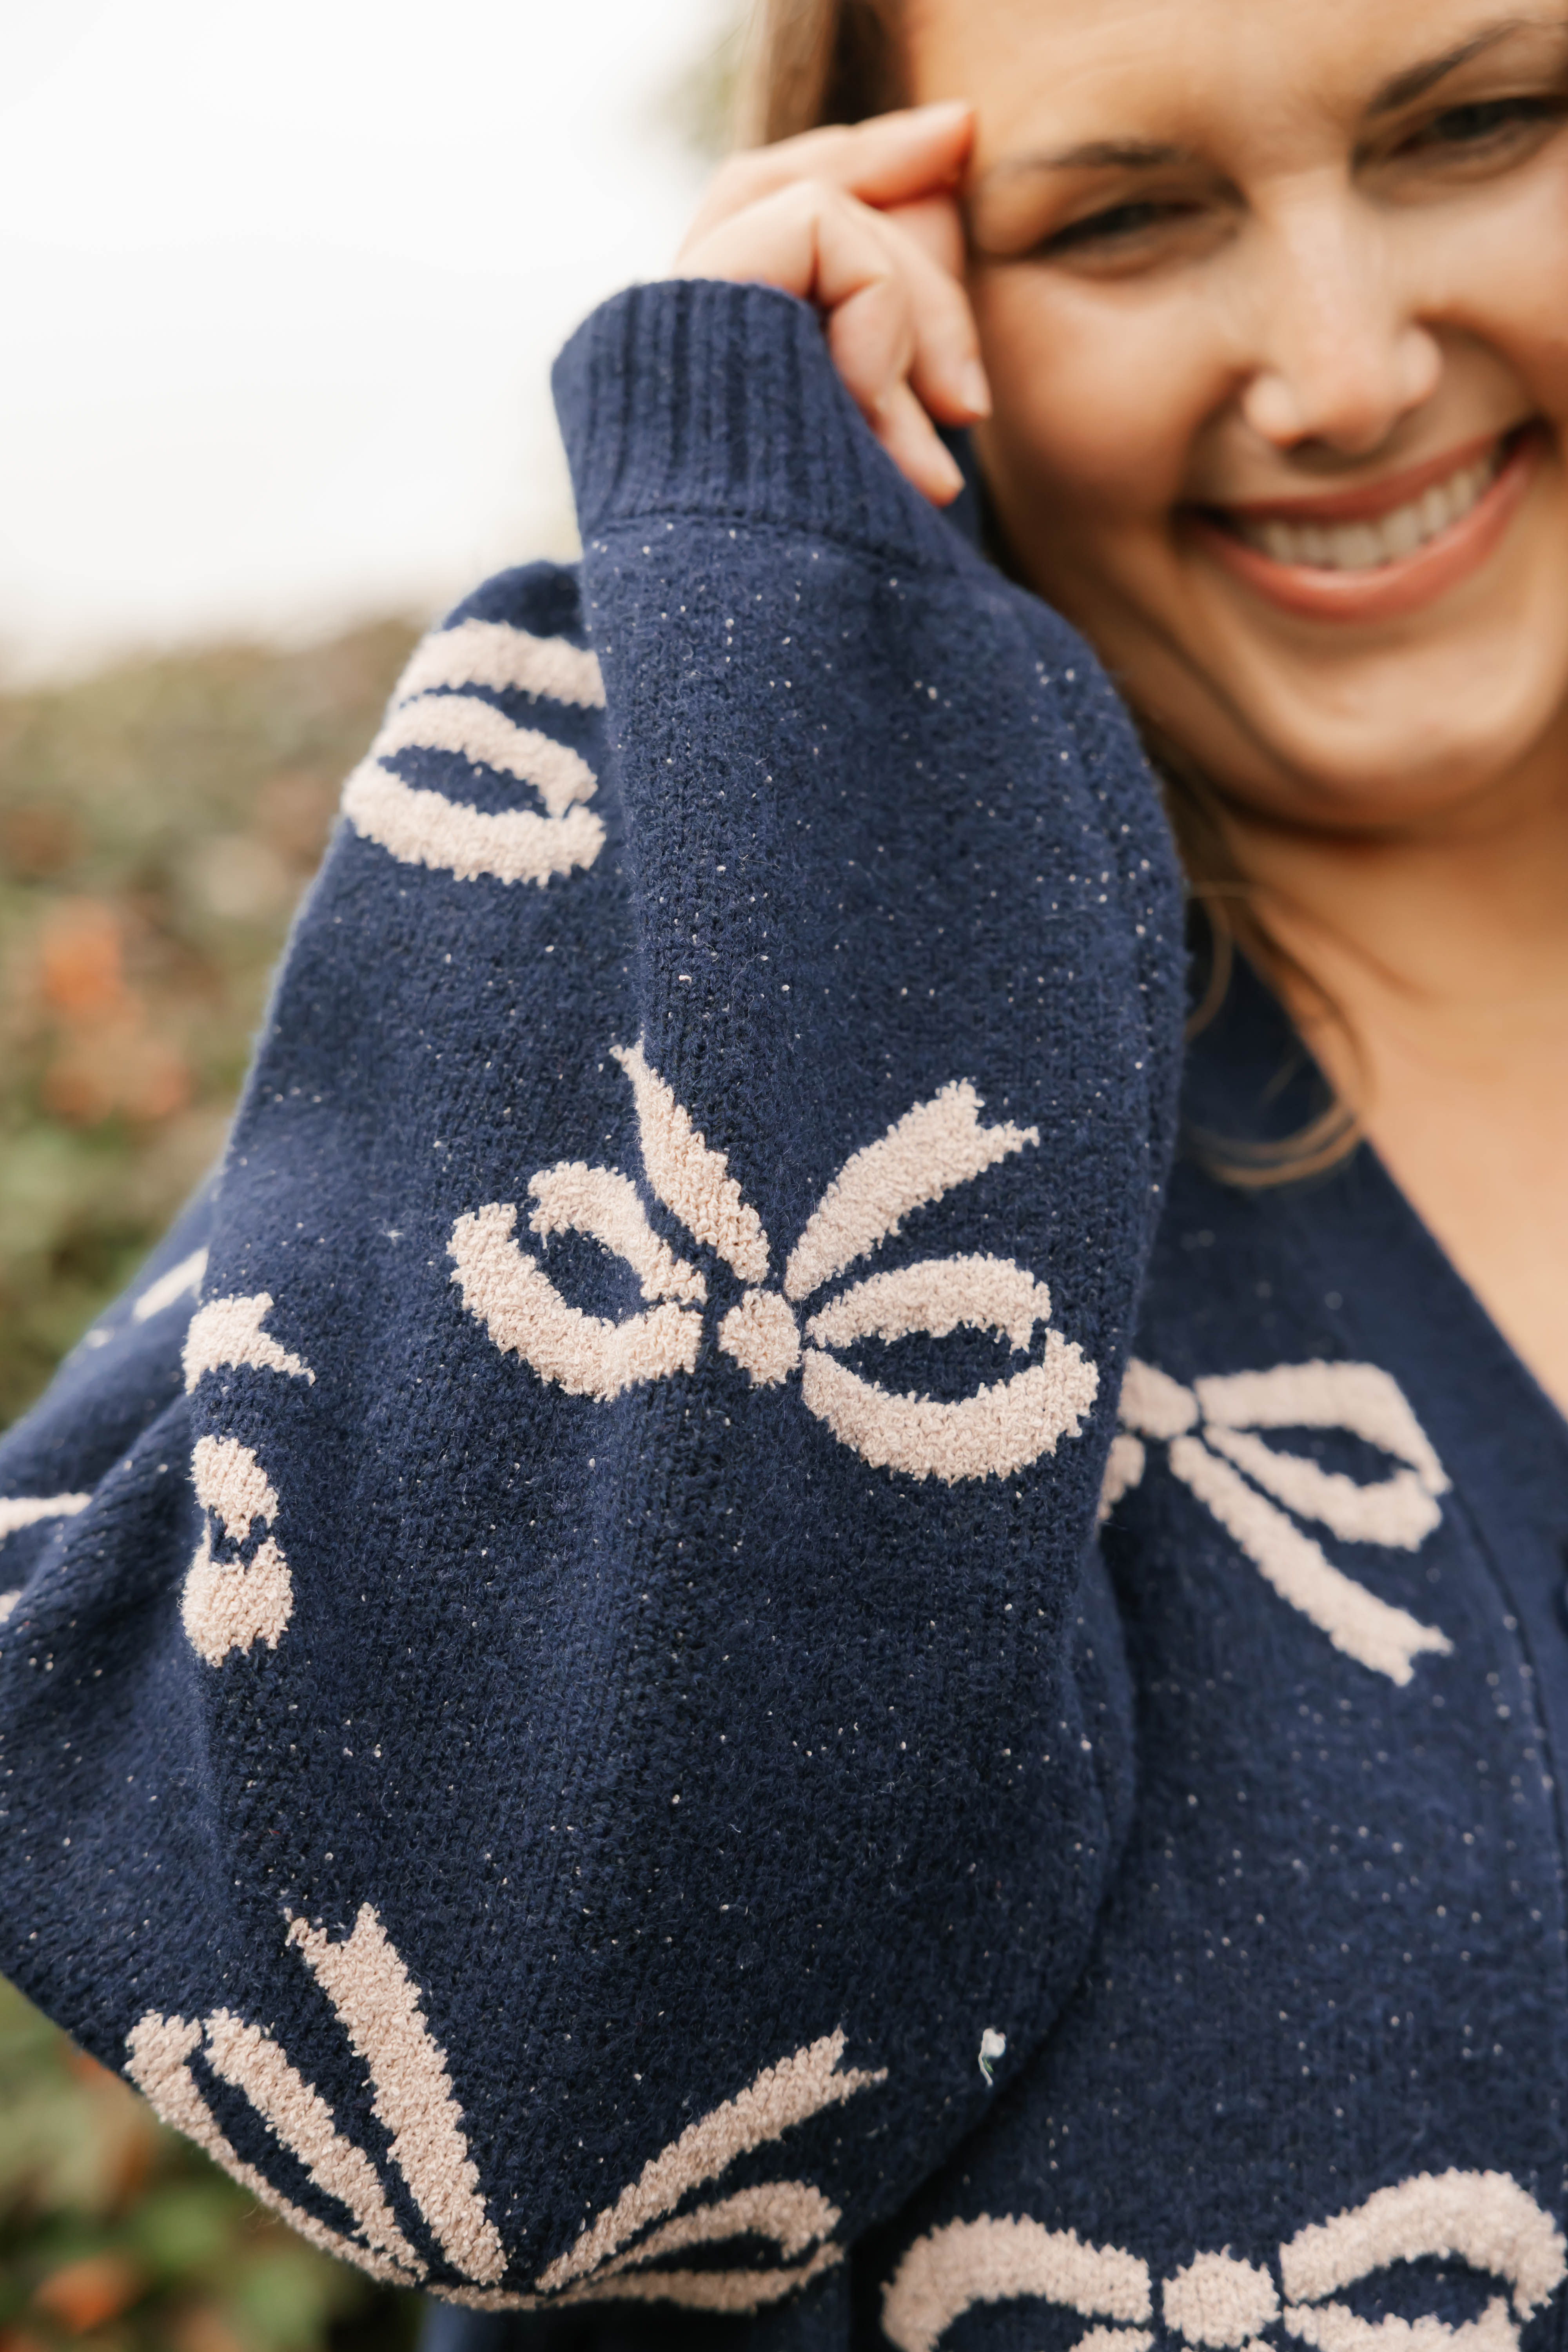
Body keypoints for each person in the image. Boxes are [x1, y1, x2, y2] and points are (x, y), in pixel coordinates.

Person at [4, 0, 1568, 2345]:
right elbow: (502, 2082)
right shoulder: (714, 1076)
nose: (1340, 372)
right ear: (915, 279)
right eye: (1126, 216)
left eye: (1480, 124)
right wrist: (770, 611)